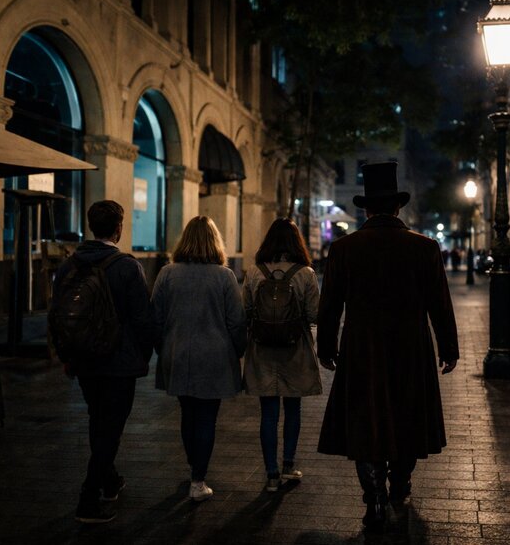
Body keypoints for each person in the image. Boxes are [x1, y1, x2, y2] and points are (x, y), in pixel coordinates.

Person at [317, 162, 459, 531]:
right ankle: (400, 484)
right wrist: (448, 347)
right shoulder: (424, 248)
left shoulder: (344, 249)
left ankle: (374, 498)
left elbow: (329, 305)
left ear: (367, 209)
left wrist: (326, 347)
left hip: (363, 345)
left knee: (366, 418)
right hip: (411, 345)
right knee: (408, 414)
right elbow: (439, 303)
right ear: (398, 208)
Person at [52, 200, 157, 524]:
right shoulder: (127, 267)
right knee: (110, 427)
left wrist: (67, 356)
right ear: (118, 228)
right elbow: (142, 318)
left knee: (98, 419)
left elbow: (59, 314)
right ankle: (89, 497)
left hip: (84, 359)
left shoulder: (69, 265)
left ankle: (109, 479)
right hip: (117, 361)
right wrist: (143, 354)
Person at [151, 216, 247, 502]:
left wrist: (162, 348)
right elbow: (237, 322)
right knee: (206, 417)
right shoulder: (224, 276)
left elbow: (155, 318)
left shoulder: (167, 274)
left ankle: (194, 466)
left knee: (188, 413)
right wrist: (238, 351)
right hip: (215, 357)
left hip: (177, 353)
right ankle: (198, 479)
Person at [242, 218, 321, 492]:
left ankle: (271, 474)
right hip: (294, 349)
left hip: (262, 349)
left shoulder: (254, 272)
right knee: (293, 408)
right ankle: (288, 465)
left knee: (268, 413)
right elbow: (314, 314)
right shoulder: (306, 273)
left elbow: (246, 310)